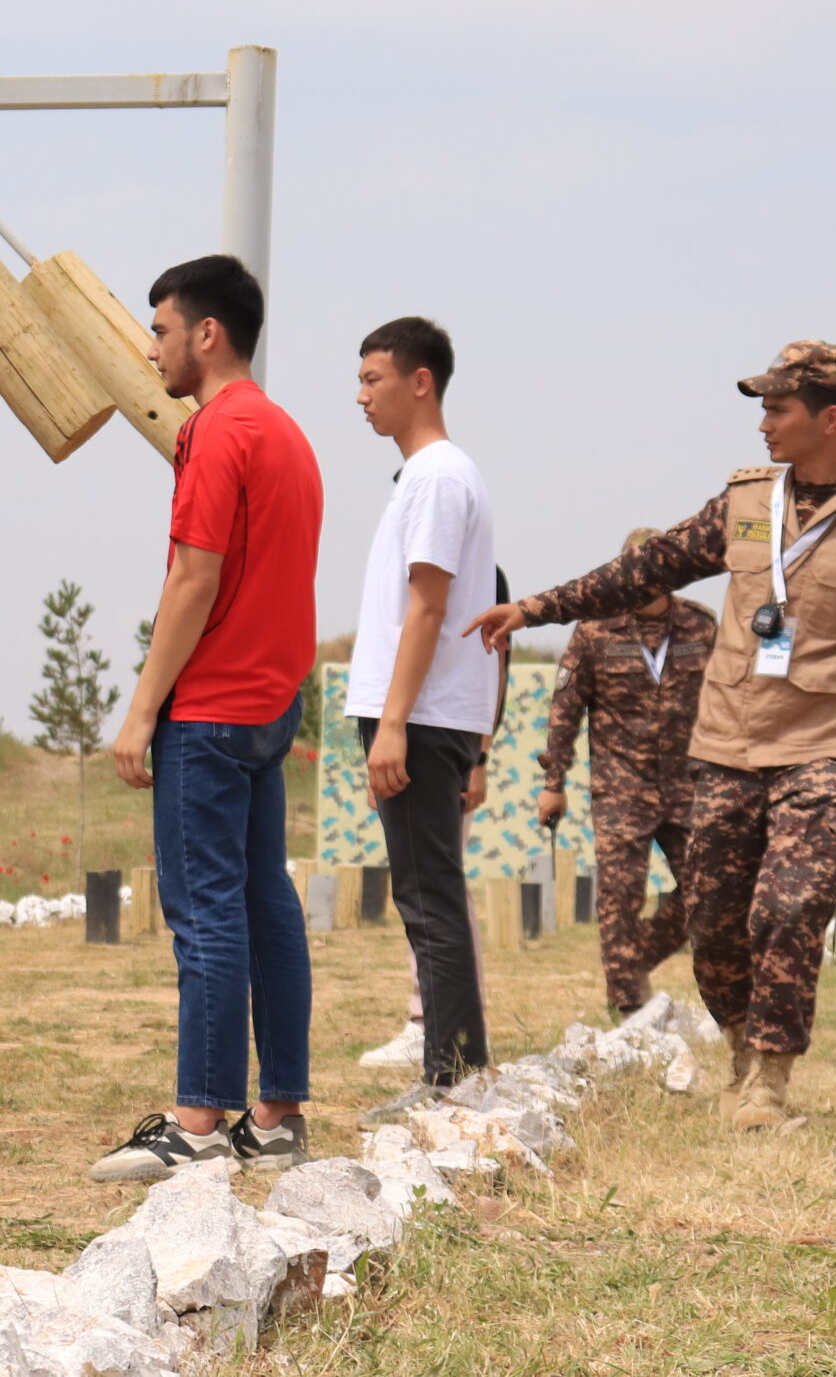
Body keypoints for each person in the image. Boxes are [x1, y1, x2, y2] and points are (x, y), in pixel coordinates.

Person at [468, 343, 836, 1129]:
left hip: (823, 750)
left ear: (830, 418)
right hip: (724, 750)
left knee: (787, 906)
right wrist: (535, 607)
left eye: (778, 408)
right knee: (714, 917)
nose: (763, 423)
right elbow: (646, 568)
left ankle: (771, 1083)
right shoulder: (745, 501)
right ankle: (743, 1044)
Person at [92, 254, 323, 1182]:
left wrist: (142, 711)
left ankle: (195, 1122)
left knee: (206, 911)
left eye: (159, 329)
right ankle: (276, 1116)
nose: (151, 349)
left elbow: (195, 575)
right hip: (272, 700)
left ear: (206, 334)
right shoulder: (289, 434)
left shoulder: (216, 431)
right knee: (267, 900)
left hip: (212, 706)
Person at [345, 316, 498, 1103]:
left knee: (428, 896)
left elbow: (428, 609)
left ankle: (454, 1077)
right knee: (428, 892)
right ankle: (459, 1068)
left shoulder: (437, 475)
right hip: (427, 712)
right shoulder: (427, 475)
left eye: (373, 379)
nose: (360, 395)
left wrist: (395, 721)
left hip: (425, 714)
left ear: (420, 381)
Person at [534, 529, 717, 1017]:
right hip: (621, 787)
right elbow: (565, 710)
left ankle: (634, 958)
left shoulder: (702, 627)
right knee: (620, 895)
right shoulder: (595, 630)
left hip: (690, 784)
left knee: (708, 887)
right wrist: (553, 784)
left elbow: (731, 701)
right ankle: (628, 1006)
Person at [361, 566, 511, 1070]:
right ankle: (436, 1023)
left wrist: (481, 759)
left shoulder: (483, 577)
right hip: (408, 740)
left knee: (438, 890)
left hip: (444, 741)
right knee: (425, 888)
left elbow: (496, 670)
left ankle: (441, 1027)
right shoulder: (406, 576)